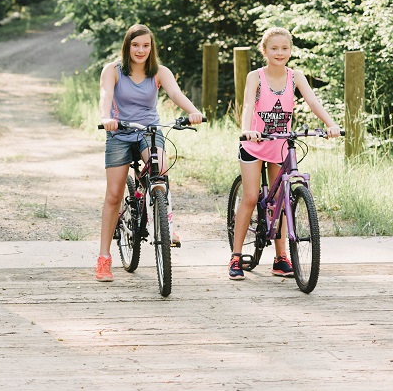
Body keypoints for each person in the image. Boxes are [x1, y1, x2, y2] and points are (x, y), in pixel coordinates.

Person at [229, 27, 341, 280]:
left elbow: (313, 102)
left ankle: (281, 258)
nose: (280, 53)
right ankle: (236, 256)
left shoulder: (295, 76)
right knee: (249, 197)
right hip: (255, 143)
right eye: (274, 48)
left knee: (280, 201)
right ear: (265, 51)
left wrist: (330, 124)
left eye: (284, 48)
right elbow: (248, 104)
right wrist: (247, 129)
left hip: (280, 143)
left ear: (290, 50)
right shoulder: (255, 76)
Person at [96, 23, 203, 281]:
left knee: (161, 170)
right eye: (135, 45)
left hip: (148, 131)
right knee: (113, 195)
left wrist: (192, 111)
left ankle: (167, 226)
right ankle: (103, 258)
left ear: (151, 47)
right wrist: (105, 117)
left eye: (145, 45)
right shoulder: (113, 70)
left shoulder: (159, 72)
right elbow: (105, 94)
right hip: (120, 132)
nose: (140, 50)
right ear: (127, 46)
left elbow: (176, 93)